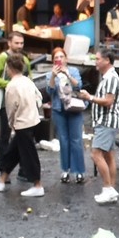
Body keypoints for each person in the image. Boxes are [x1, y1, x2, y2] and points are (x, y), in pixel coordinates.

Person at [0, 52, 45, 198]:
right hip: (32, 120)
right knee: (13, 152)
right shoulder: (28, 81)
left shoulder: (11, 86)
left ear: (9, 68)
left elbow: (11, 108)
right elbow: (38, 97)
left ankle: (37, 185)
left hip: (22, 123)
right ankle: (1, 180)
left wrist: (11, 123)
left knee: (29, 154)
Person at [81, 45, 119, 204]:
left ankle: (107, 188)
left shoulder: (111, 78)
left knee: (95, 154)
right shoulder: (108, 77)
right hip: (105, 122)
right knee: (108, 155)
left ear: (107, 60)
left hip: (106, 122)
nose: (96, 63)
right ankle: (111, 189)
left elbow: (108, 101)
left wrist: (89, 97)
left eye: (98, 59)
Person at [45, 48, 87, 184]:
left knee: (76, 140)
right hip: (58, 109)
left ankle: (79, 171)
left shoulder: (73, 71)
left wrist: (68, 75)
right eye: (56, 57)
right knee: (63, 140)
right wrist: (53, 76)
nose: (60, 59)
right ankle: (65, 170)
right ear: (53, 60)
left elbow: (79, 86)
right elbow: (49, 90)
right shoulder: (50, 73)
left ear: (66, 58)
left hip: (74, 108)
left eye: (62, 57)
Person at [0, 30, 26, 154]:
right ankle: (3, 166)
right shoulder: (2, 58)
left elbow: (29, 77)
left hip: (21, 102)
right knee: (4, 134)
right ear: (9, 43)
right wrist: (11, 84)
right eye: (17, 43)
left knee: (22, 134)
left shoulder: (24, 59)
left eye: (21, 43)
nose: (19, 46)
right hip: (6, 102)